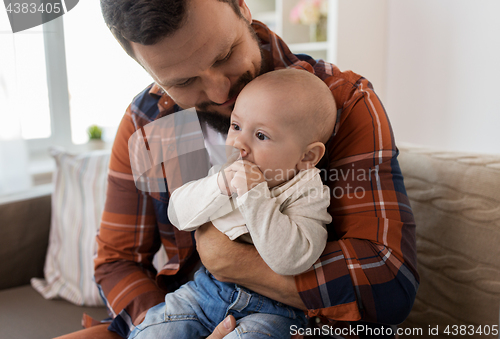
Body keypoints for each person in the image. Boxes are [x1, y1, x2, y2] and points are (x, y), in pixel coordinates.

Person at [59, 0, 419, 338]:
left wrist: (232, 260)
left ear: (242, 7)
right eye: (184, 82)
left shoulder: (338, 102)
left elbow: (388, 284)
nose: (219, 92)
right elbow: (117, 262)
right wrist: (168, 324)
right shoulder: (151, 120)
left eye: (225, 54)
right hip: (184, 310)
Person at [128, 69, 335, 338]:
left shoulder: (307, 192)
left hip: (273, 311)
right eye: (236, 126)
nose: (239, 143)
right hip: (205, 292)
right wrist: (218, 186)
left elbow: (291, 260)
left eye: (261, 135)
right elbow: (178, 214)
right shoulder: (229, 172)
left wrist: (255, 194)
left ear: (307, 156)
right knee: (154, 330)